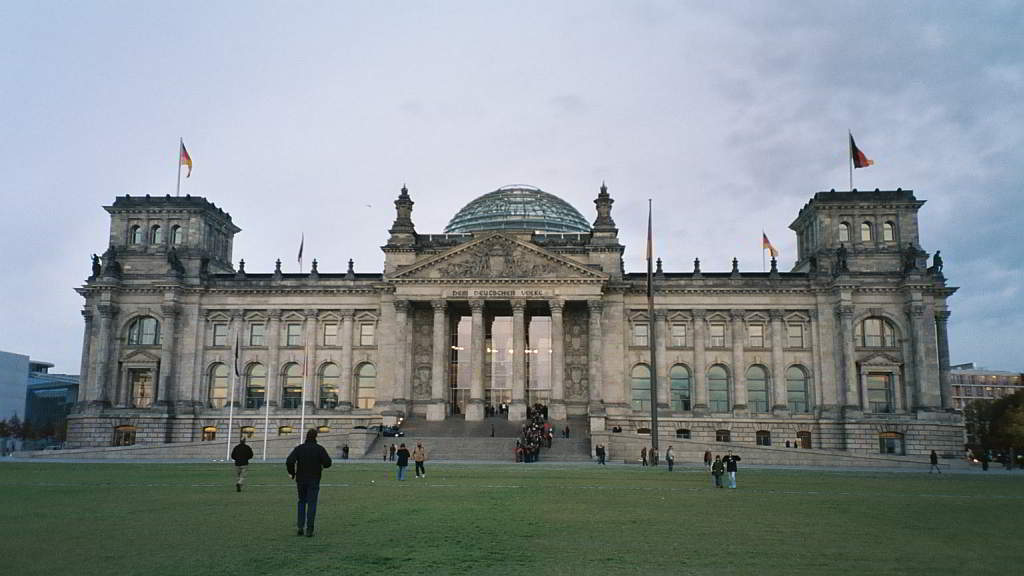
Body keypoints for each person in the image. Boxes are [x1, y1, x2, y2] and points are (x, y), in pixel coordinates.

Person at [285, 428, 332, 537]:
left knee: (301, 501)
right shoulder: (319, 449)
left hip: (301, 479)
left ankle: (300, 527)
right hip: (314, 479)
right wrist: (322, 465)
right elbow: (328, 463)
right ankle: (309, 528)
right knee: (312, 503)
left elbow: (289, 461)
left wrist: (292, 473)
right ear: (316, 437)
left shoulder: (299, 448)